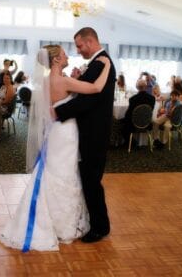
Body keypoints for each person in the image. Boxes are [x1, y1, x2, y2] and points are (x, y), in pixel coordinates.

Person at [0, 43, 111, 251]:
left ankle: (49, 218)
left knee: (53, 171)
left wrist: (76, 77)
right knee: (65, 173)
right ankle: (62, 224)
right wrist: (106, 68)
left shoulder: (49, 80)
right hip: (66, 132)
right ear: (56, 59)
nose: (68, 56)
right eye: (65, 54)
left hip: (55, 132)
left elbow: (63, 95)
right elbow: (96, 88)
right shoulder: (64, 80)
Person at [54, 27, 115, 244]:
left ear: (90, 42)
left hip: (95, 133)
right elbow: (87, 90)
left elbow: (89, 100)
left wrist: (58, 112)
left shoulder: (100, 63)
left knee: (91, 180)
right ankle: (97, 222)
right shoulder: (99, 63)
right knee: (89, 179)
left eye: (80, 46)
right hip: (90, 130)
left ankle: (100, 227)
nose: (78, 51)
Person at [121, 79, 155, 145]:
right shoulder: (152, 98)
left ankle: (132, 143)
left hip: (134, 124)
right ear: (146, 87)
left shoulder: (133, 99)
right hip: (147, 123)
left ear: (137, 87)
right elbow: (150, 111)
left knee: (121, 122)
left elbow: (128, 114)